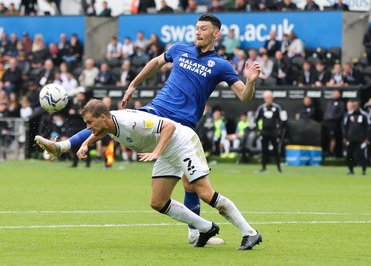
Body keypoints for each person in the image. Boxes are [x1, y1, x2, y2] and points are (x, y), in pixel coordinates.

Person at [32, 14, 260, 245]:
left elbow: (244, 96)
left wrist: (250, 81)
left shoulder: (220, 65)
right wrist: (134, 83)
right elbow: (156, 62)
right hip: (155, 113)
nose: (198, 32)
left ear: (216, 33)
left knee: (195, 186)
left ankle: (245, 232)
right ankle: (202, 230)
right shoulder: (180, 49)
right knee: (158, 199)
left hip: (180, 129)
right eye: (197, 28)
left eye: (203, 29)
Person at [37, 99, 262, 250]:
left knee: (204, 192)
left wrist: (155, 152)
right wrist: (85, 143)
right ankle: (206, 228)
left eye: (89, 123)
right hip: (166, 151)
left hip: (181, 143)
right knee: (158, 202)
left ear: (103, 117)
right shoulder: (107, 124)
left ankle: (250, 233)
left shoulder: (130, 121)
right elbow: (99, 131)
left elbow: (169, 128)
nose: (88, 127)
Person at [255, 90, 282, 173]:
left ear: (272, 98)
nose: (268, 99)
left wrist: (278, 130)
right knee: (264, 150)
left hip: (274, 132)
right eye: (266, 98)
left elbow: (281, 120)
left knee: (276, 150)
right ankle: (263, 167)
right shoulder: (261, 108)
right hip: (264, 132)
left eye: (269, 97)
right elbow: (256, 120)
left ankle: (278, 168)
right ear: (264, 99)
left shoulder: (277, 108)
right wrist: (259, 131)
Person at [343, 100, 369, 175]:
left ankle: (363, 170)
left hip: (361, 139)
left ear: (359, 106)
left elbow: (367, 127)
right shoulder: (349, 115)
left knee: (361, 154)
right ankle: (351, 170)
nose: (355, 107)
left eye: (356, 106)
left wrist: (367, 138)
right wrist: (345, 137)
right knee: (349, 155)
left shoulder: (364, 115)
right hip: (351, 139)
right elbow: (345, 126)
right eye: (354, 106)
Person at [323, 89, 345, 157]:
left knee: (333, 137)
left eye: (336, 93)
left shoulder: (341, 103)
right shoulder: (330, 102)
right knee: (326, 137)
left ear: (339, 94)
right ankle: (326, 151)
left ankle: (331, 152)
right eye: (334, 93)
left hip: (334, 123)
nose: (335, 94)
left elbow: (341, 113)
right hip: (327, 121)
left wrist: (334, 118)